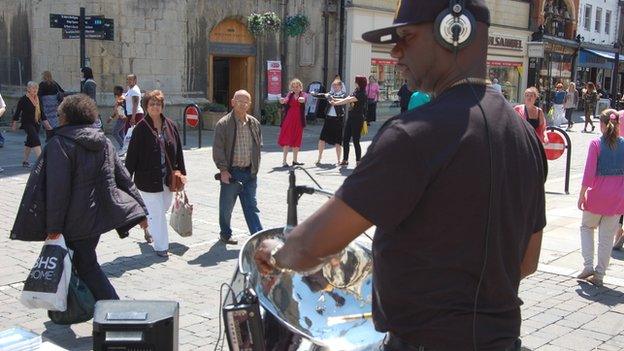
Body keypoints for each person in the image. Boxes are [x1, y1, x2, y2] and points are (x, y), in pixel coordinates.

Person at [254, 1, 546, 350]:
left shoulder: (414, 133)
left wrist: (275, 254)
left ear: (455, 32)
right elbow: (527, 262)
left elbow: (310, 246)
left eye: (406, 37)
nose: (395, 52)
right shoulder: (525, 136)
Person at [11, 94, 148, 301]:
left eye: (59, 114)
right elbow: (125, 179)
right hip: (95, 219)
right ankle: (68, 309)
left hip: (72, 222)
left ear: (67, 117)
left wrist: (54, 228)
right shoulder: (103, 141)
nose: (58, 118)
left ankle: (114, 309)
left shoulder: (60, 144)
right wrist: (141, 211)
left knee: (87, 266)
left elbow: (58, 190)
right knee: (78, 263)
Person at [125, 90, 186, 257]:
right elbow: (131, 157)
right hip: (147, 179)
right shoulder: (140, 129)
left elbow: (178, 150)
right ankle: (161, 247)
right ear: (146, 106)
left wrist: (183, 172)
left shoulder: (171, 125)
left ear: (162, 106)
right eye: (151, 104)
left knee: (163, 208)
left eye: (158, 104)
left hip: (167, 179)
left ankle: (146, 219)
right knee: (158, 213)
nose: (155, 107)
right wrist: (125, 180)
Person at [577, 109, 624, 287]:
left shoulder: (596, 144)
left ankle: (588, 265)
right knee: (606, 237)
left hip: (597, 196)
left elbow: (589, 173)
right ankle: (600, 274)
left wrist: (582, 195)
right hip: (617, 198)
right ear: (618, 124)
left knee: (586, 227)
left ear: (601, 125)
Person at [213, 90, 263, 245]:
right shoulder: (223, 124)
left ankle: (259, 238)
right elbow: (218, 149)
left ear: (250, 104)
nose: (243, 104)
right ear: (233, 102)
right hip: (232, 173)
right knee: (226, 207)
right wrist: (223, 170)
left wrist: (255, 167)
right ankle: (225, 234)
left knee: (251, 206)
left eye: (246, 102)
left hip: (250, 172)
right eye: (239, 101)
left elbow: (257, 146)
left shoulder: (254, 123)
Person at [12, 81, 53, 168]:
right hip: (27, 123)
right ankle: (42, 162)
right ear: (28, 89)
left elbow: (42, 113)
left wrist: (48, 125)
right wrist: (14, 124)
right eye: (33, 88)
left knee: (30, 142)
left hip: (36, 123)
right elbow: (17, 112)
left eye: (36, 88)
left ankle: (25, 161)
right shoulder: (23, 99)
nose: (35, 90)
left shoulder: (38, 99)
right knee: (36, 140)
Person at [331, 75, 368, 166]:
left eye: (356, 81)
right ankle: (345, 159)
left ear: (359, 83)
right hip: (351, 118)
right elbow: (347, 98)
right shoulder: (356, 91)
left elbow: (349, 100)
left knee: (356, 140)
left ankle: (358, 161)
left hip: (358, 119)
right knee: (346, 139)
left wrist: (335, 103)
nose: (354, 82)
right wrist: (335, 99)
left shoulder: (362, 93)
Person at [314, 79, 346, 165]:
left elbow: (340, 98)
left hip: (338, 120)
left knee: (338, 142)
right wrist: (313, 93)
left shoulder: (343, 94)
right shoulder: (330, 94)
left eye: (336, 86)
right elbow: (321, 95)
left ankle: (339, 160)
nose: (335, 87)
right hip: (329, 119)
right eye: (333, 86)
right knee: (321, 139)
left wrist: (331, 97)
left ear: (340, 86)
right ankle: (319, 158)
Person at [278, 78, 306, 167]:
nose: (295, 88)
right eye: (293, 87)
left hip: (299, 120)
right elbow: (285, 100)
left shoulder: (304, 94)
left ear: (300, 87)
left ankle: (295, 160)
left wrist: (301, 99)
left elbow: (303, 99)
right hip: (289, 119)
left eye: (297, 86)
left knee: (297, 139)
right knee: (287, 138)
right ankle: (284, 161)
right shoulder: (289, 95)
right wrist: (282, 101)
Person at [38, 71, 64, 137]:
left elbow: (38, 95)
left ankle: (49, 134)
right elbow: (62, 91)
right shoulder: (54, 83)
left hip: (46, 105)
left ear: (44, 76)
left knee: (47, 120)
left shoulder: (42, 84)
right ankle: (55, 133)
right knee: (54, 119)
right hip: (54, 105)